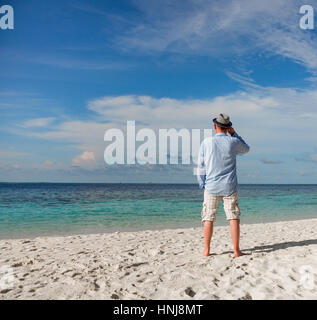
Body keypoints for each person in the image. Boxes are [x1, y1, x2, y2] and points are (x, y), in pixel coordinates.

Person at [197, 113, 250, 257]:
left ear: (215, 126)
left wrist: (203, 183)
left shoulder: (206, 142)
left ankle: (206, 250)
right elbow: (246, 149)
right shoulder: (233, 142)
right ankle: (236, 250)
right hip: (229, 186)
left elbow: (200, 166)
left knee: (208, 217)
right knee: (233, 217)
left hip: (211, 186)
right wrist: (235, 134)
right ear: (228, 128)